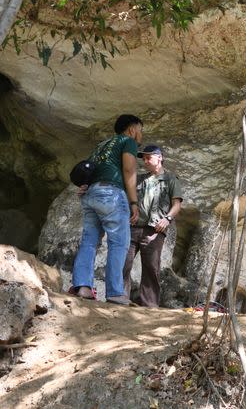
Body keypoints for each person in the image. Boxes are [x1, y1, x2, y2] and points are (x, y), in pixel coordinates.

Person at [71, 114, 142, 305]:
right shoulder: (128, 142)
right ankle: (115, 292)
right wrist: (133, 202)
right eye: (140, 130)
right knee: (119, 243)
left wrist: (87, 186)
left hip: (90, 195)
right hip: (111, 194)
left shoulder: (101, 145)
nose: (140, 134)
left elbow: (88, 169)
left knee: (89, 242)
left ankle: (82, 286)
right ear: (132, 129)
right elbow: (129, 170)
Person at [122, 145, 183, 307]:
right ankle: (119, 299)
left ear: (160, 157)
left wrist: (167, 219)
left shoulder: (171, 179)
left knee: (151, 267)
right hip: (133, 227)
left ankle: (149, 305)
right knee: (123, 263)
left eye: (149, 157)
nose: (145, 161)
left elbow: (177, 204)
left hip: (154, 230)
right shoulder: (140, 179)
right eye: (144, 158)